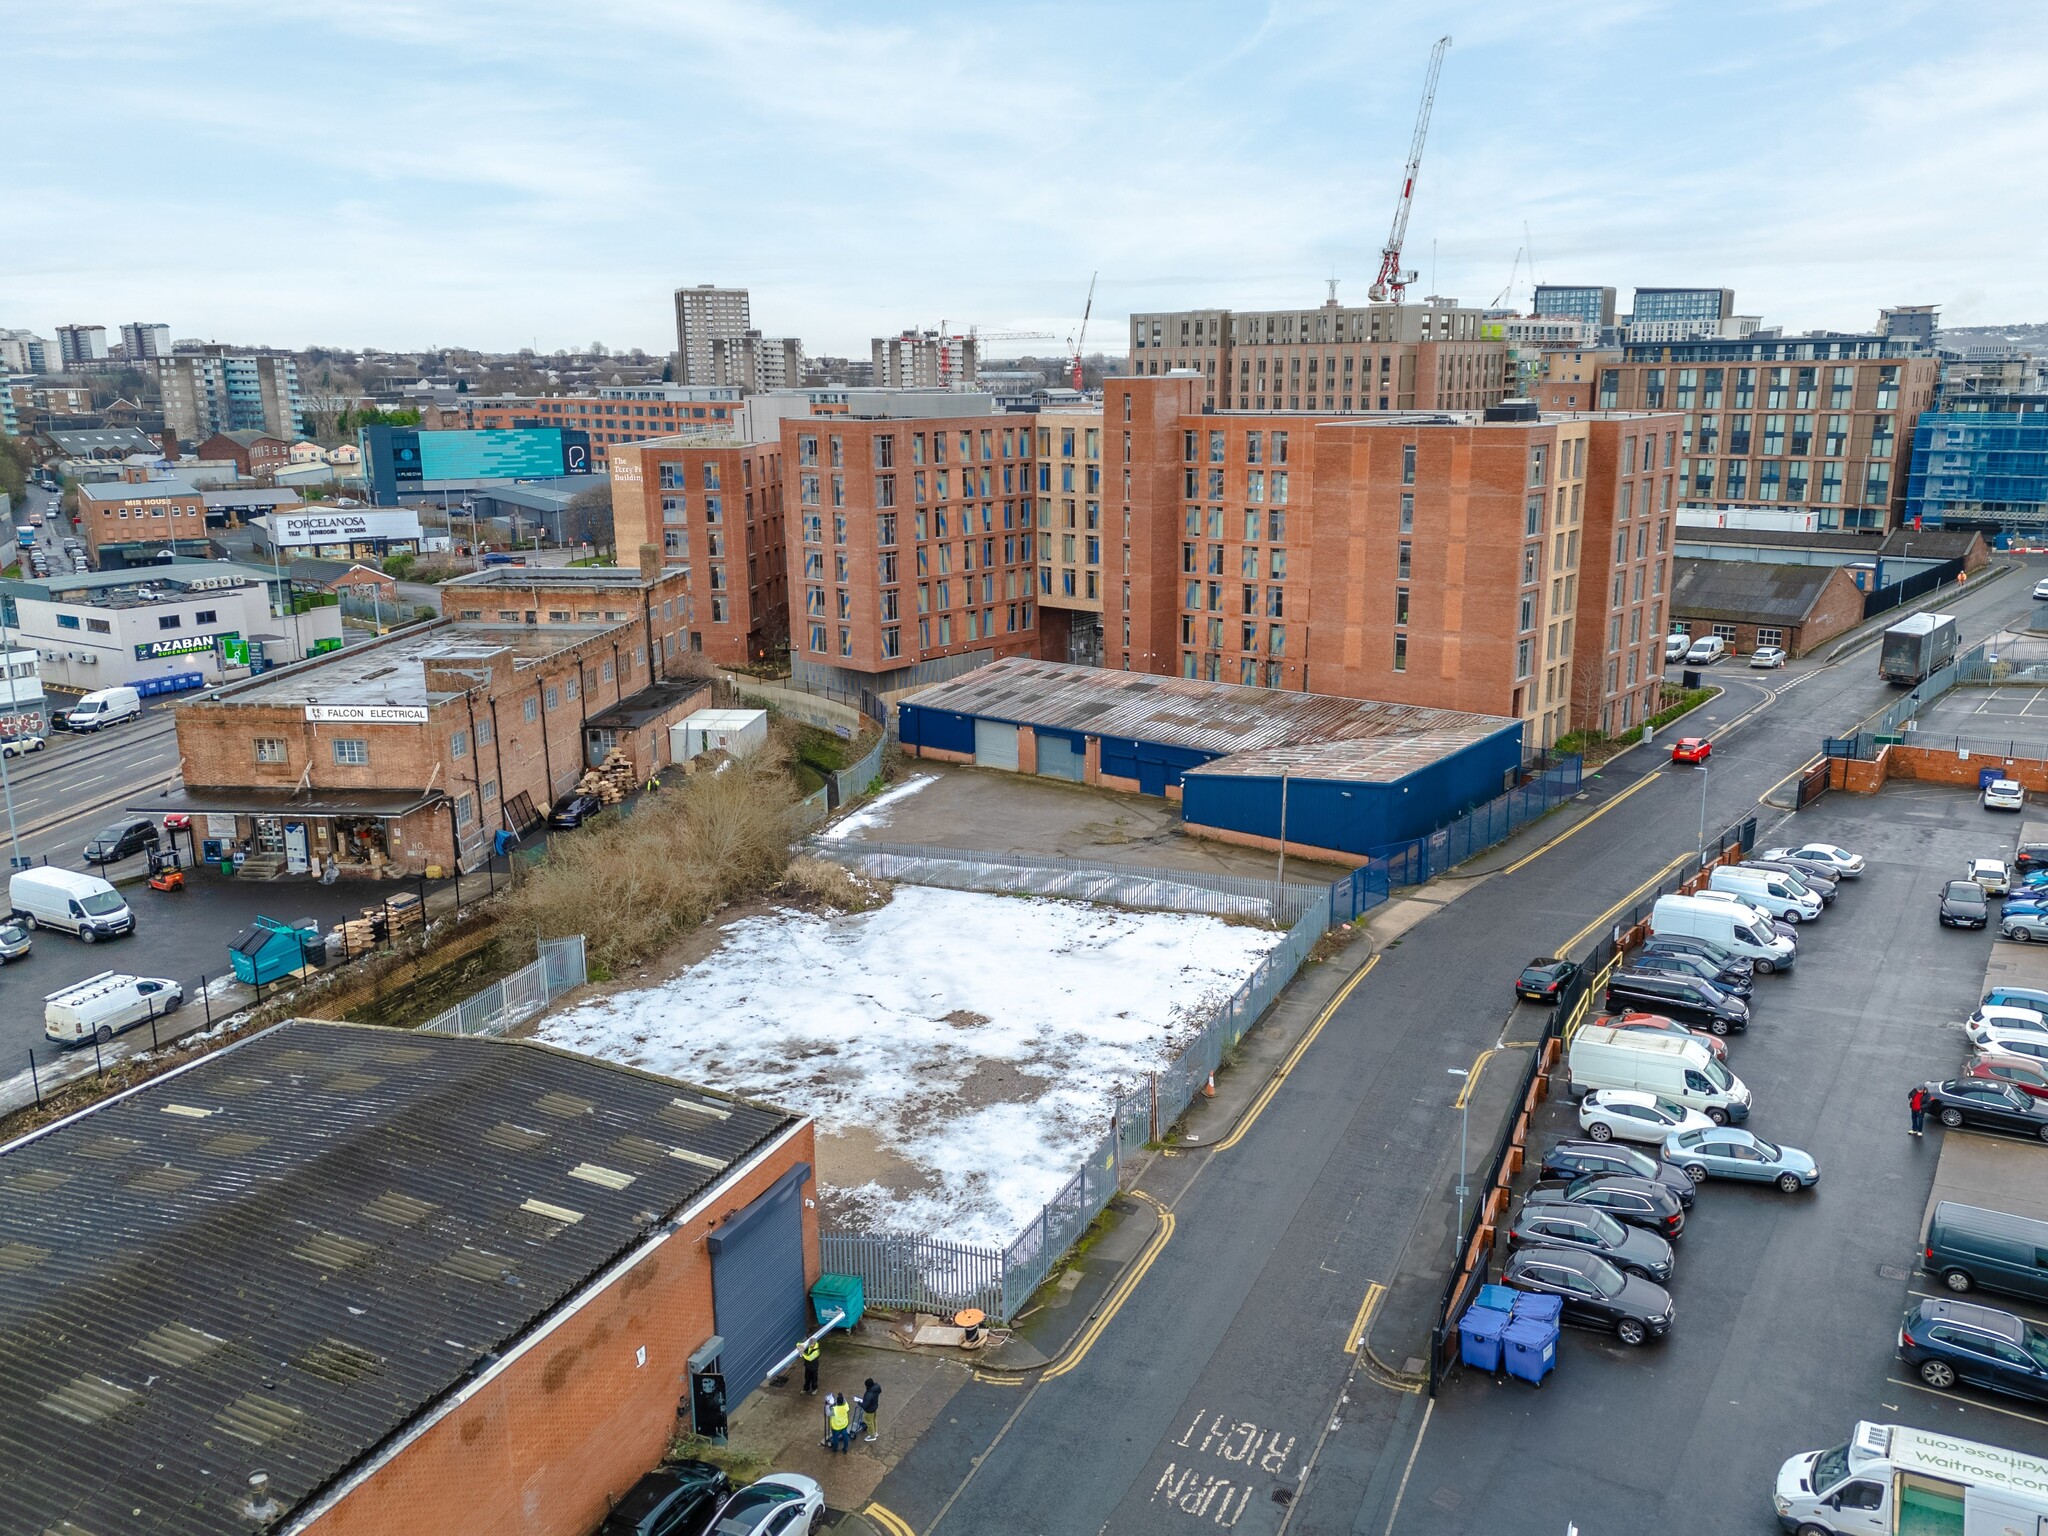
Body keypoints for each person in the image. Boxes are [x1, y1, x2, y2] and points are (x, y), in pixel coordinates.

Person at [861, 1377, 882, 1442]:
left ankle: (872, 1436)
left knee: (869, 1422)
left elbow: (865, 1405)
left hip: (869, 1410)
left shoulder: (869, 1394)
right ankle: (875, 1432)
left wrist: (859, 1403)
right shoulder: (877, 1388)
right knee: (874, 1420)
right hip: (874, 1407)